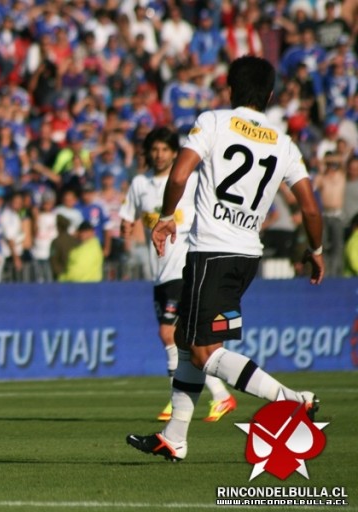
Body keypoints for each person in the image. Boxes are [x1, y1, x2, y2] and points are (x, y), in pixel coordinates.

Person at [127, 56, 324, 462]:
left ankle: (290, 400)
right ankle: (175, 435)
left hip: (211, 251)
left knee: (203, 351)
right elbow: (309, 208)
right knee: (187, 339)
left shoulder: (215, 121)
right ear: (269, 96)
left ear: (230, 89)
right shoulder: (284, 143)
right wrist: (316, 250)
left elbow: (180, 175)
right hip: (247, 255)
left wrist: (165, 219)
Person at [119, 127, 236, 423]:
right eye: (154, 149)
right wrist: (126, 230)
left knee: (168, 333)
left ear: (175, 153)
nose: (159, 155)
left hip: (184, 267)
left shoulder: (192, 180)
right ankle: (221, 396)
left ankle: (179, 398)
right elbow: (128, 217)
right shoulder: (140, 184)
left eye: (164, 150)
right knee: (185, 339)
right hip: (160, 271)